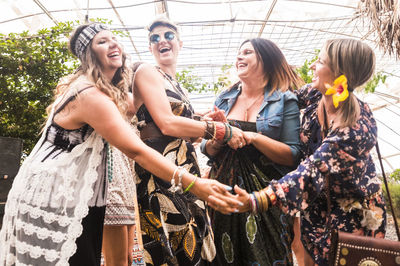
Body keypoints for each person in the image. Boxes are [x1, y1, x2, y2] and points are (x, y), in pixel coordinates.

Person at [0, 23, 240, 266]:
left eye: (113, 38)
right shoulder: (89, 94)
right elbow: (135, 149)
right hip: (53, 193)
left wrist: (197, 117)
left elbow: (138, 106)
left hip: (78, 191)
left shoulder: (106, 92)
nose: (113, 43)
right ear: (88, 55)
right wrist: (193, 184)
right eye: (101, 42)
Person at [217, 38, 387, 266]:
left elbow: (311, 171)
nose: (312, 67)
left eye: (320, 61)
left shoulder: (356, 128)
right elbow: (278, 100)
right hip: (317, 210)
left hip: (351, 218)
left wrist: (258, 199)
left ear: (340, 75)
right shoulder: (317, 94)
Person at [130, 16, 245, 265]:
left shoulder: (175, 84)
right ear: (150, 47)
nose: (162, 40)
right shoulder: (147, 71)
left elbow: (183, 132)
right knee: (170, 243)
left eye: (168, 35)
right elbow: (166, 123)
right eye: (155, 38)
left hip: (184, 166)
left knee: (194, 239)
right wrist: (220, 129)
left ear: (180, 43)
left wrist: (200, 119)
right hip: (159, 173)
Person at [201, 38, 303, 265]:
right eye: (238, 53)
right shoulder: (224, 99)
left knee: (269, 255)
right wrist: (219, 135)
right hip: (223, 192)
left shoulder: (285, 100)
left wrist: (254, 137)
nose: (239, 57)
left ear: (266, 60)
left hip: (265, 197)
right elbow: (206, 149)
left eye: (247, 52)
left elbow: (293, 155)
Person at [101, 62, 143, 266]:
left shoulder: (123, 98)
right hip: (111, 183)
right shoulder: (104, 97)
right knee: (116, 261)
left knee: (127, 258)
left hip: (126, 184)